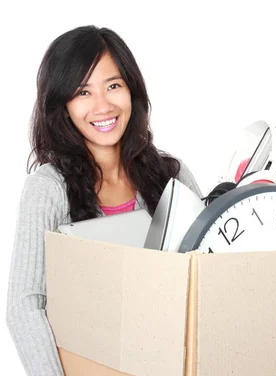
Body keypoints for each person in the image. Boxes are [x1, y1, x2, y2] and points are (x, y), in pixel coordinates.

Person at [6, 25, 202, 375]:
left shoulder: (172, 176)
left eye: (114, 85)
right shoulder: (48, 189)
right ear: (62, 104)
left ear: (132, 91)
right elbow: (26, 305)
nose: (103, 106)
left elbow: (208, 279)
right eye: (83, 92)